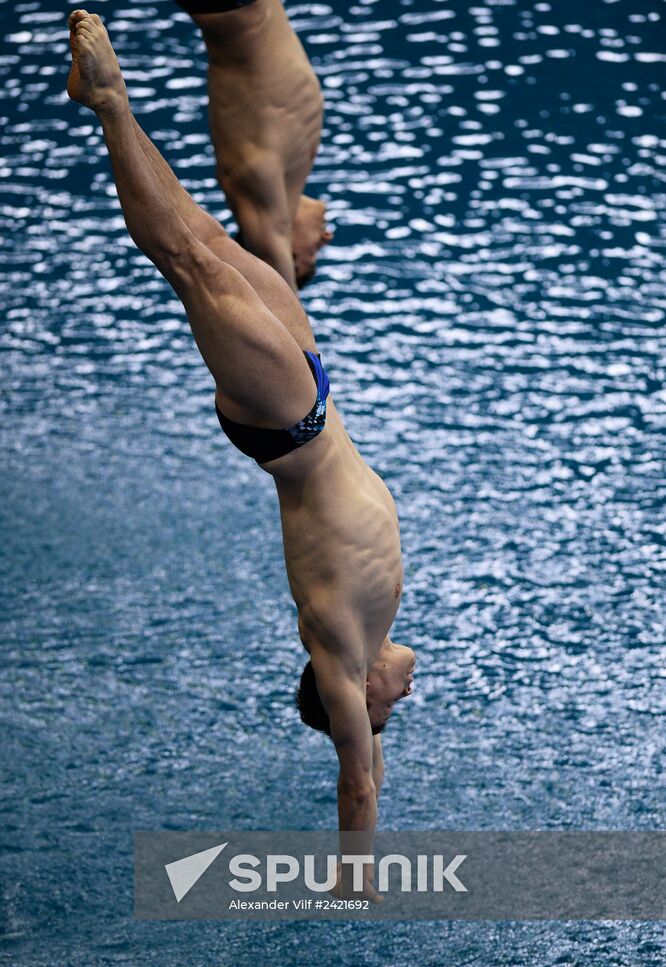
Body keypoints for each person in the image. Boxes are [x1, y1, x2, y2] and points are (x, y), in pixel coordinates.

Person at [66, 10, 415, 901]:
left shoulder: (341, 656)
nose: (399, 708)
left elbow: (357, 780)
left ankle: (108, 104)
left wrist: (355, 876)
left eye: (381, 718)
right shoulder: (373, 639)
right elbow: (387, 719)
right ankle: (115, 109)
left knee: (189, 260)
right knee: (219, 244)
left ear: (355, 705)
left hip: (288, 425)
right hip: (310, 398)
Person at [175, 0, 332, 290]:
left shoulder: (260, 199)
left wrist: (294, 322)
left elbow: (281, 298)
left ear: (289, 255)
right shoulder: (292, 171)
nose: (326, 238)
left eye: (312, 255)